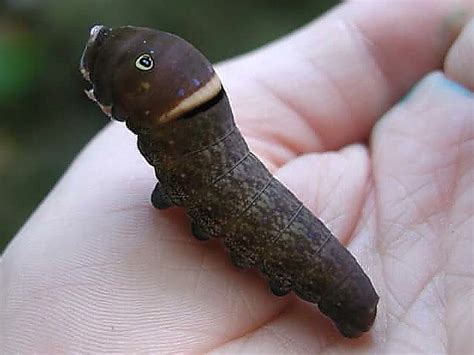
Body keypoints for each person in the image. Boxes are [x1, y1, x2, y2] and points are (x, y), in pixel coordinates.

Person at [1, 0, 473, 352]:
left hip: (322, 273)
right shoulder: (187, 147)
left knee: (260, 216)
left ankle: (351, 304)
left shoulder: (187, 153)